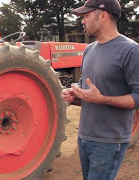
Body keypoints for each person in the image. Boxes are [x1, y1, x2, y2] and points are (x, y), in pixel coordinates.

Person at [61, 0, 139, 179]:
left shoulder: (131, 51)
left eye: (86, 15)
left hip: (109, 142)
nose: (82, 21)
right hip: (85, 137)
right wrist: (77, 96)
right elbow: (90, 91)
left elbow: (137, 96)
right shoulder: (89, 50)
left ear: (103, 15)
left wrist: (101, 99)